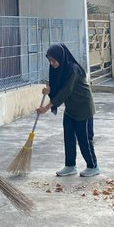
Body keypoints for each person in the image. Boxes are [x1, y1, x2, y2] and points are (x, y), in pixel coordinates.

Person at [37, 43, 98, 178]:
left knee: (84, 139)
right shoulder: (60, 69)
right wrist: (49, 91)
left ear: (61, 57)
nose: (51, 63)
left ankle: (93, 166)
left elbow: (65, 91)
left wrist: (46, 108)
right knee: (68, 137)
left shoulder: (73, 69)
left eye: (53, 60)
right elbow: (58, 87)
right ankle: (70, 166)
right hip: (71, 108)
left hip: (83, 108)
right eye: (49, 60)